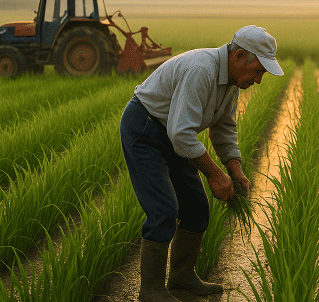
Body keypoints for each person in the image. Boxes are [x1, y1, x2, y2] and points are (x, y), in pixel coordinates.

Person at [120, 25, 283, 302]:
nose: (258, 80)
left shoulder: (231, 82)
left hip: (172, 133)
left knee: (196, 207)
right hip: (146, 129)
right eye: (258, 71)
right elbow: (182, 134)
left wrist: (236, 171)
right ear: (240, 56)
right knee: (164, 210)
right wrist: (215, 175)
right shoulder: (202, 70)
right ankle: (151, 292)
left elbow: (224, 129)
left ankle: (182, 279)